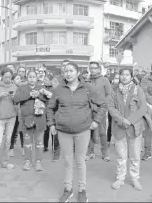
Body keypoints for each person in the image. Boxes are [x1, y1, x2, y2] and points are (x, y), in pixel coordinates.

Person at [47, 62, 107, 203]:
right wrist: (51, 124)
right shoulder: (59, 90)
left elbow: (103, 104)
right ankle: (68, 190)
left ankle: (82, 190)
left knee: (80, 160)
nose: (68, 73)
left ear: (77, 72)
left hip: (83, 130)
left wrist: (96, 121)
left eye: (71, 71)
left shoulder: (87, 87)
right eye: (65, 71)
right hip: (63, 130)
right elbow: (50, 108)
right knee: (68, 161)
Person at [108, 68, 147, 191]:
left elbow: (143, 108)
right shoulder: (114, 90)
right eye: (122, 74)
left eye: (127, 75)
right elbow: (111, 107)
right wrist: (121, 120)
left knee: (135, 154)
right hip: (119, 127)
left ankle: (135, 178)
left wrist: (129, 120)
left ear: (131, 77)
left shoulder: (137, 89)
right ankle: (120, 178)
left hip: (134, 126)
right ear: (119, 76)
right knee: (120, 155)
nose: (124, 77)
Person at [14, 70, 51, 171]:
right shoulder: (22, 88)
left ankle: (38, 161)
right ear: (26, 78)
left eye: (34, 77)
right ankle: (28, 161)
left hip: (40, 119)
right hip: (26, 120)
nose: (32, 79)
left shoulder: (42, 88)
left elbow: (49, 99)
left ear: (37, 78)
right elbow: (16, 99)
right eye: (30, 77)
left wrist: (38, 95)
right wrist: (30, 95)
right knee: (27, 143)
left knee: (39, 143)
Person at [0, 68, 18, 177]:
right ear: (2, 76)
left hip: (11, 117)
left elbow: (17, 102)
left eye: (10, 77)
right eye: (6, 77)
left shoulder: (14, 86)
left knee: (7, 141)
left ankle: (5, 162)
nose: (8, 79)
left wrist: (14, 98)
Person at [85, 61, 112, 162]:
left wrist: (104, 106)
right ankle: (90, 152)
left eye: (95, 68)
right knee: (89, 131)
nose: (93, 70)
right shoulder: (86, 81)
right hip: (88, 110)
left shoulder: (104, 80)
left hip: (101, 109)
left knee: (102, 133)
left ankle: (104, 153)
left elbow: (109, 94)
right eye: (91, 68)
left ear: (99, 69)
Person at [9, 73, 25, 157]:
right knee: (13, 131)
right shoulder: (11, 89)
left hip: (22, 113)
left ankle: (23, 148)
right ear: (13, 80)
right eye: (17, 78)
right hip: (13, 113)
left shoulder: (22, 88)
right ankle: (11, 148)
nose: (19, 80)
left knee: (22, 130)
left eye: (20, 78)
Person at [107, 73, 120, 146]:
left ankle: (117, 140)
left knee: (118, 124)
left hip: (119, 108)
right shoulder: (109, 87)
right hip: (111, 108)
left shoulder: (121, 87)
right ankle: (108, 140)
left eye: (118, 78)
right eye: (115, 78)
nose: (117, 80)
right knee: (110, 124)